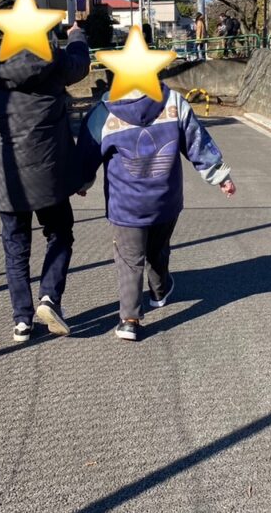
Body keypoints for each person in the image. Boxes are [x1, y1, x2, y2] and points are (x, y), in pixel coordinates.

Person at [0, 10, 90, 343]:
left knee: (15, 245)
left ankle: (22, 320)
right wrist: (77, 34)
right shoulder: (55, 62)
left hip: (6, 176)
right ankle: (49, 297)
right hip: (51, 173)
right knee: (60, 233)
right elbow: (81, 63)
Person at [76, 83, 236, 341]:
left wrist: (82, 183)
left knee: (130, 259)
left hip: (125, 204)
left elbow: (86, 154)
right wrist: (219, 176)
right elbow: (196, 141)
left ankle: (129, 320)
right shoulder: (173, 102)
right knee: (158, 247)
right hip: (165, 200)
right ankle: (159, 291)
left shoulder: (103, 112)